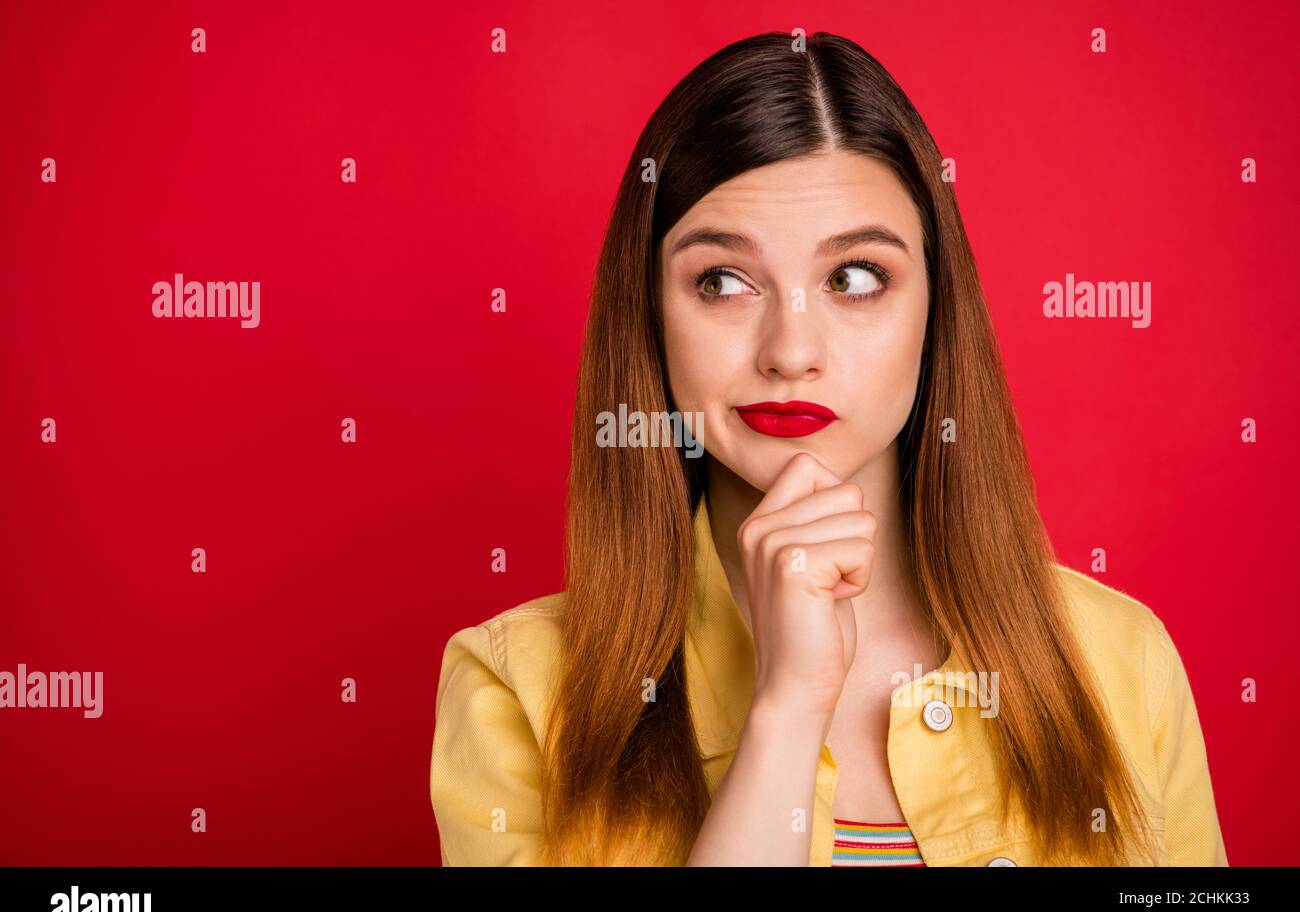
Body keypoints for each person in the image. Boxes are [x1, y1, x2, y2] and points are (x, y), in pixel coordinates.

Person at [429, 30, 1229, 867]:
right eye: (722, 282)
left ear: (935, 307)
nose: (790, 351)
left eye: (853, 277)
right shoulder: (518, 692)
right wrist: (785, 707)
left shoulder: (1122, 663)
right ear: (651, 317)